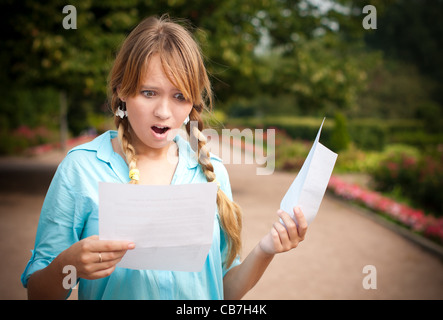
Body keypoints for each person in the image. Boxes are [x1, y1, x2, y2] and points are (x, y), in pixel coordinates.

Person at [21, 15, 307, 300]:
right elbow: (39, 294)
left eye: (179, 96)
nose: (163, 112)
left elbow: (222, 292)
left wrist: (266, 249)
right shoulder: (81, 168)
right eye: (149, 92)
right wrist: (67, 264)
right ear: (122, 90)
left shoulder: (212, 172)